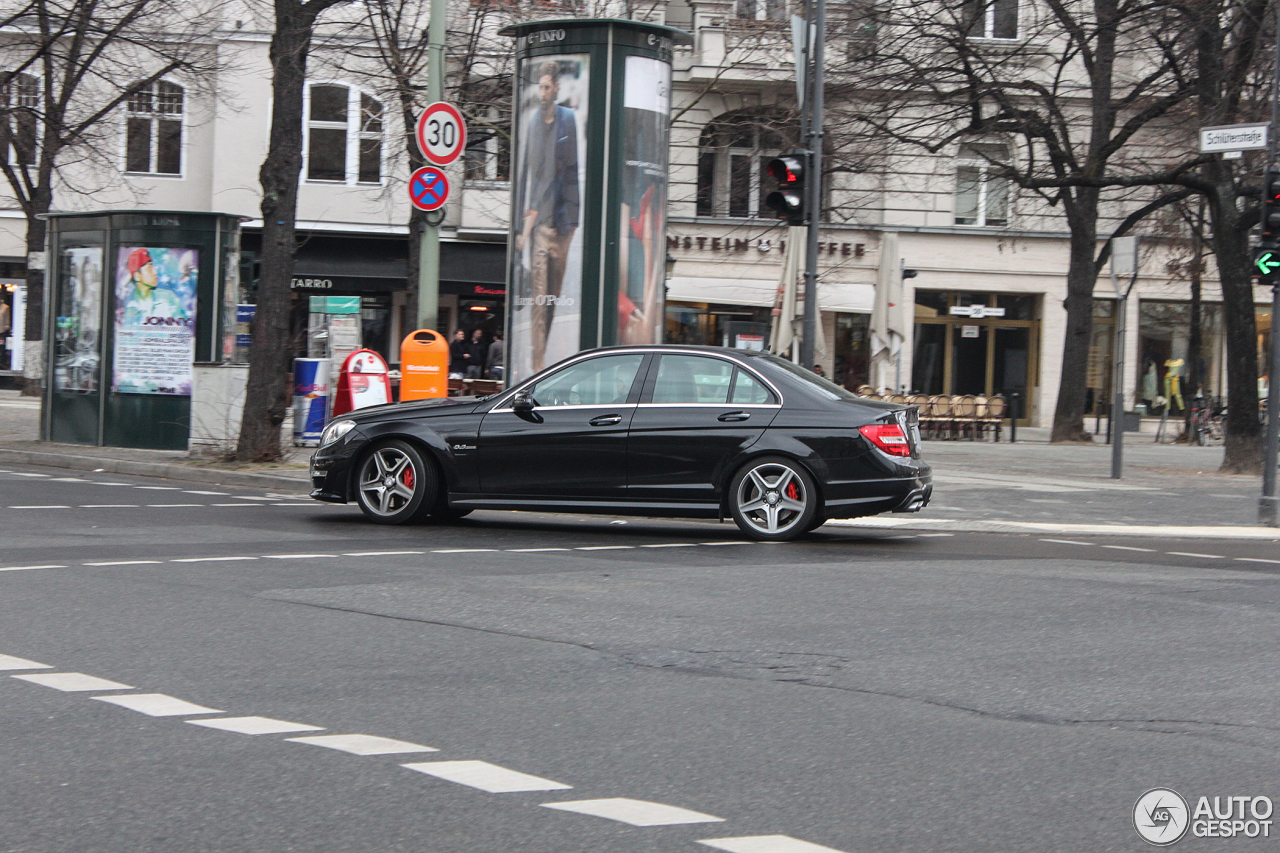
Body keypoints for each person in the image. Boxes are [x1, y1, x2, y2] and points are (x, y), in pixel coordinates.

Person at [516, 60, 580, 372]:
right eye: (539, 88)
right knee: (539, 295)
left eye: (545, 87)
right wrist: (522, 226)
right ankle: (537, 363)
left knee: (553, 295)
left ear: (555, 88)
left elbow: (573, 170)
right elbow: (526, 174)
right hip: (538, 220)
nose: (542, 93)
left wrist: (575, 219)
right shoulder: (531, 125)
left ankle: (546, 358)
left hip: (564, 221)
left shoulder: (568, 119)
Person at [121, 247, 185, 326]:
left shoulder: (169, 298)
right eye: (149, 268)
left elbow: (185, 331)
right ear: (137, 276)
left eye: (153, 267)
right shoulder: (128, 307)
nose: (155, 272)